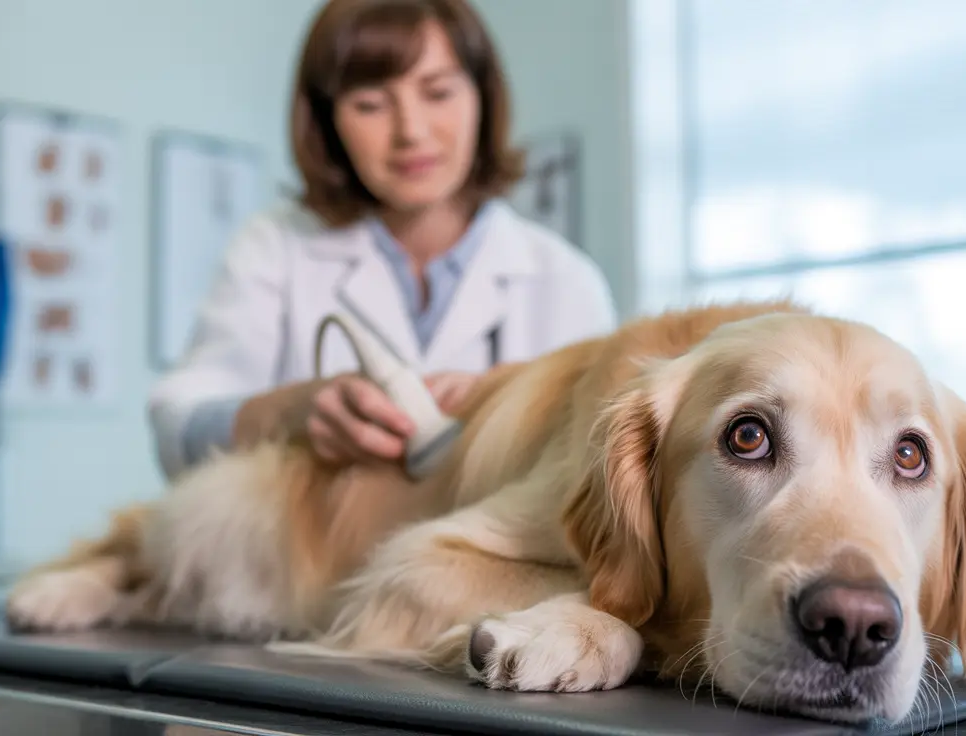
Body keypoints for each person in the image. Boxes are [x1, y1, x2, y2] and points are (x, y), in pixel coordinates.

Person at [147, 0, 618, 481]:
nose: (410, 132)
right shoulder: (275, 248)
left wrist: (503, 405)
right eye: (370, 104)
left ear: (482, 96)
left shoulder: (564, 281)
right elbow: (177, 431)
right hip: (307, 554)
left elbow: (596, 475)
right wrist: (289, 413)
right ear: (328, 122)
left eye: (438, 93)